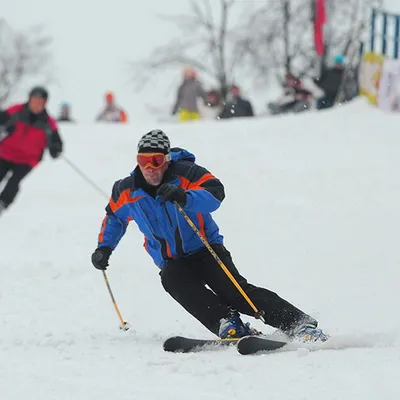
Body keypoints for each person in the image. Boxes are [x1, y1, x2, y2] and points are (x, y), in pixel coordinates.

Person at [91, 129, 328, 342]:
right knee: (172, 280)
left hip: (206, 249)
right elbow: (114, 217)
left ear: (167, 159)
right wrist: (104, 248)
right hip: (173, 261)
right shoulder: (126, 189)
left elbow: (216, 193)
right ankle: (226, 323)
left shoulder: (186, 173)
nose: (150, 168)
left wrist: (185, 197)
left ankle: (298, 323)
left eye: (156, 160)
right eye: (143, 161)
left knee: (235, 293)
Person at [0, 86, 63, 215]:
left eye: (40, 102)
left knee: (14, 181)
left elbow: (57, 143)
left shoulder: (48, 123)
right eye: (34, 100)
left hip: (27, 159)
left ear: (45, 103)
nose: (36, 104)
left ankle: (2, 203)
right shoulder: (16, 111)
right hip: (5, 153)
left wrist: (55, 149)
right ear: (29, 100)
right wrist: (6, 127)